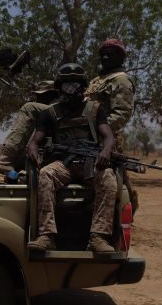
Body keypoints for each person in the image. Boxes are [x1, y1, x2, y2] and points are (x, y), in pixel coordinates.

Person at [26, 63, 117, 253]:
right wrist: (32, 149)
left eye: (75, 85)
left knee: (108, 178)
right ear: (59, 87)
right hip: (64, 166)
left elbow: (108, 136)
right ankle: (47, 236)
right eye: (66, 86)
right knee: (45, 174)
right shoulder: (49, 113)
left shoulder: (95, 109)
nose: (71, 90)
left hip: (90, 164)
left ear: (82, 87)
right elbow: (35, 140)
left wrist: (106, 151)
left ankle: (98, 237)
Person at [84, 39, 138, 212]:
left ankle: (124, 219)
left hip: (105, 140)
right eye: (103, 54)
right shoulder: (97, 80)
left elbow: (121, 113)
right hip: (85, 138)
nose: (105, 57)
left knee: (116, 185)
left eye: (111, 54)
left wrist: (97, 131)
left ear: (121, 58)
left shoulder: (121, 80)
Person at [0, 80, 59, 174]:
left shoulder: (58, 110)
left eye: (43, 96)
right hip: (42, 156)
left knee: (29, 107)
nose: (38, 99)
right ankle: (7, 163)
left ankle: (5, 161)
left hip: (54, 156)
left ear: (54, 95)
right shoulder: (43, 117)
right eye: (37, 96)